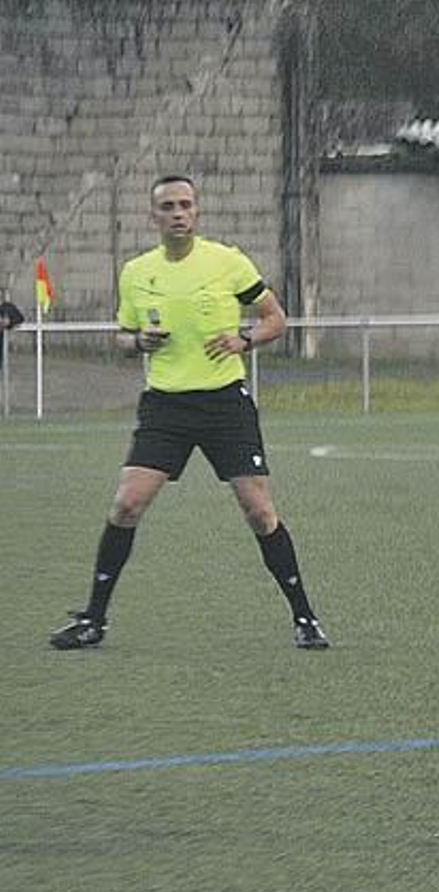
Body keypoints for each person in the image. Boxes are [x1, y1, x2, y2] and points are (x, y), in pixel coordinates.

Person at [49, 175, 330, 651]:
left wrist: (244, 340)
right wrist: (138, 342)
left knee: (260, 512)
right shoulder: (137, 272)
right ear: (152, 216)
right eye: (167, 206)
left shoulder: (227, 262)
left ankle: (305, 618)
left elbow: (275, 319)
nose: (178, 213)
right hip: (165, 406)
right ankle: (92, 620)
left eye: (185, 205)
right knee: (126, 504)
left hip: (224, 403)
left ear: (197, 212)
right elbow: (121, 338)